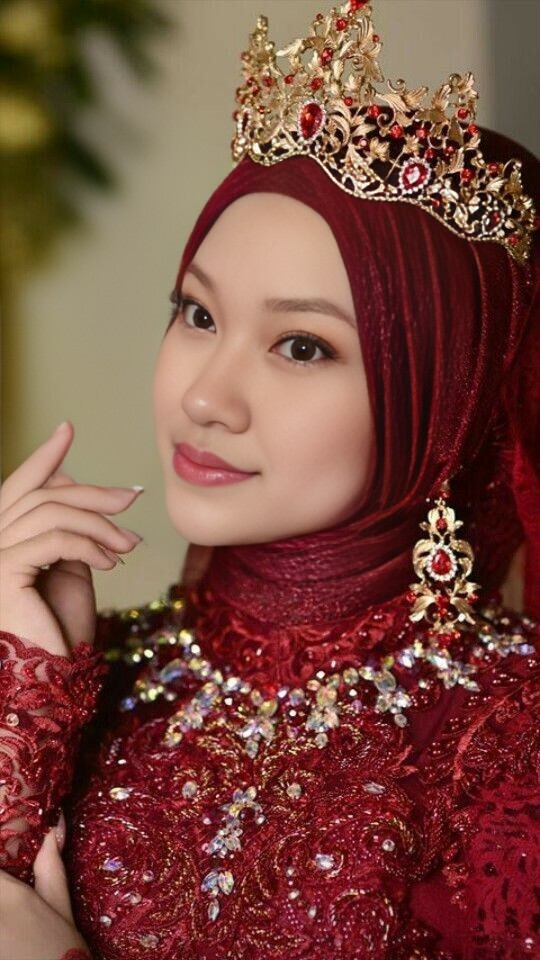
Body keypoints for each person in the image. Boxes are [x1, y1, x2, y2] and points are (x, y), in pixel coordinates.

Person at [0, 1, 538, 958]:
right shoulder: (83, 675)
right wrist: (28, 688)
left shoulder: (508, 736)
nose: (205, 397)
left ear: (441, 401)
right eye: (197, 314)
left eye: (301, 346)